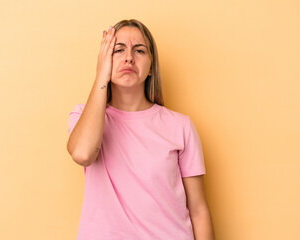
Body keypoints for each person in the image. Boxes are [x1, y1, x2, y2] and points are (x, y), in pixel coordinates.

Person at [67, 19, 215, 240]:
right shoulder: (83, 116)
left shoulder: (180, 126)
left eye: (139, 50)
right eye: (118, 50)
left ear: (151, 66)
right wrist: (101, 76)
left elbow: (199, 210)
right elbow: (83, 153)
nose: (129, 57)